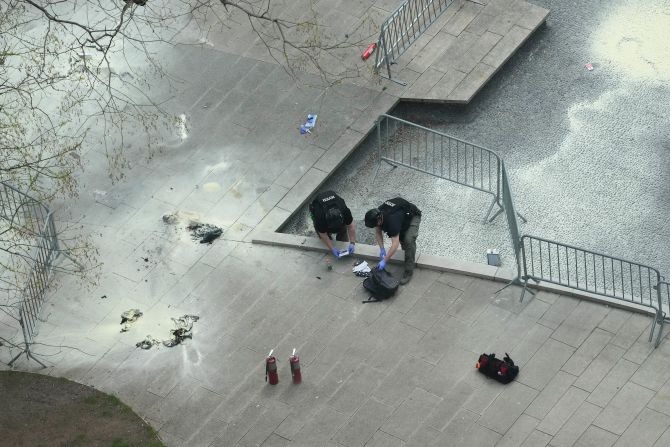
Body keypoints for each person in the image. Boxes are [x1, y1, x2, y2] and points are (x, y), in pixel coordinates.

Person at [365, 197, 421, 285]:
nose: (376, 226)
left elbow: (395, 244)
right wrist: (382, 249)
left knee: (408, 240)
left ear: (379, 219)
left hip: (413, 216)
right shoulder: (378, 214)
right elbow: (378, 232)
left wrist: (385, 260)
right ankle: (407, 253)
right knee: (401, 238)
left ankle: (409, 271)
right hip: (401, 216)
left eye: (376, 224)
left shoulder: (392, 221)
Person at [309, 190, 356, 258]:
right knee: (323, 235)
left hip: (336, 206)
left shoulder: (344, 211)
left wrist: (352, 243)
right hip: (317, 207)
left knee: (343, 231)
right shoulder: (320, 217)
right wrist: (332, 248)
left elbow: (351, 226)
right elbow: (323, 233)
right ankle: (330, 237)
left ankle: (342, 241)